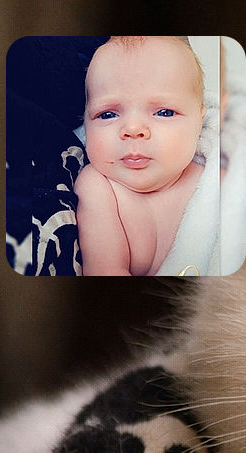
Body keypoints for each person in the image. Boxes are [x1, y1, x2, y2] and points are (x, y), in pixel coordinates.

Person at [74, 36, 205, 276]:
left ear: (200, 121)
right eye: (107, 115)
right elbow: (104, 272)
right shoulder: (98, 186)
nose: (133, 129)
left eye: (164, 112)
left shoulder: (213, 183)